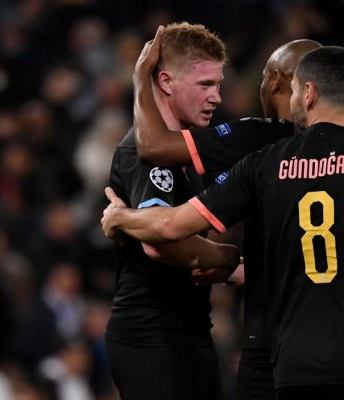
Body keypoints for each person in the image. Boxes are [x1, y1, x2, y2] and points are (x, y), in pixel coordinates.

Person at [102, 45, 344, 399]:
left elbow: (168, 223)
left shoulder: (263, 155)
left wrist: (122, 216)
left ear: (305, 92)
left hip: (286, 353)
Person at [131, 26, 321, 399]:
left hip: (275, 336)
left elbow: (152, 145)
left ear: (276, 80)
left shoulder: (258, 140)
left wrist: (140, 78)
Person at [105, 23, 240, 400]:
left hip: (188, 330)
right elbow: (159, 243)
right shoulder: (144, 154)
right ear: (165, 82)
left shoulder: (183, 149)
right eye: (204, 85)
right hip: (152, 335)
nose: (216, 97)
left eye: (218, 85)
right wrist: (225, 258)